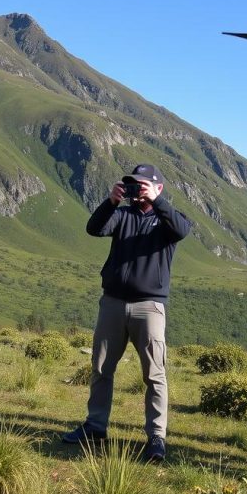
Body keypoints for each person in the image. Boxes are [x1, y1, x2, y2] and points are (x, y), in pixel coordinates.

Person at [62, 163, 192, 463]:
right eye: (133, 184)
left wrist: (156, 202)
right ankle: (95, 427)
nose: (138, 189)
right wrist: (111, 202)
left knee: (155, 374)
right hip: (113, 303)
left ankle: (157, 437)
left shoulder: (168, 220)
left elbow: (182, 231)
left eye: (144, 184)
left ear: (158, 188)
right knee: (101, 367)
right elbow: (93, 228)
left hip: (150, 306)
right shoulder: (121, 215)